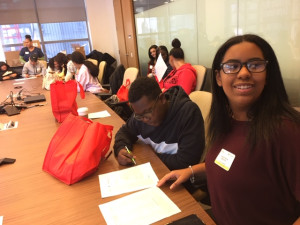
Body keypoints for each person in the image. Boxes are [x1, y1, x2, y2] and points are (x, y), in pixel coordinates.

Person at [158, 34, 300, 225]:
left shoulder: (286, 131)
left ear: (267, 75)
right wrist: (191, 171)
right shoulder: (225, 120)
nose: (243, 73)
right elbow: (229, 163)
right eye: (232, 66)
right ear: (218, 77)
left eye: (255, 65)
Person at [113, 77, 205, 172]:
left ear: (162, 99)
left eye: (148, 112)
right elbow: (124, 132)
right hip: (153, 172)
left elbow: (187, 162)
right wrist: (121, 148)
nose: (144, 119)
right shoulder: (141, 113)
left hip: (177, 179)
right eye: (139, 116)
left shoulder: (188, 113)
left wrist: (148, 158)